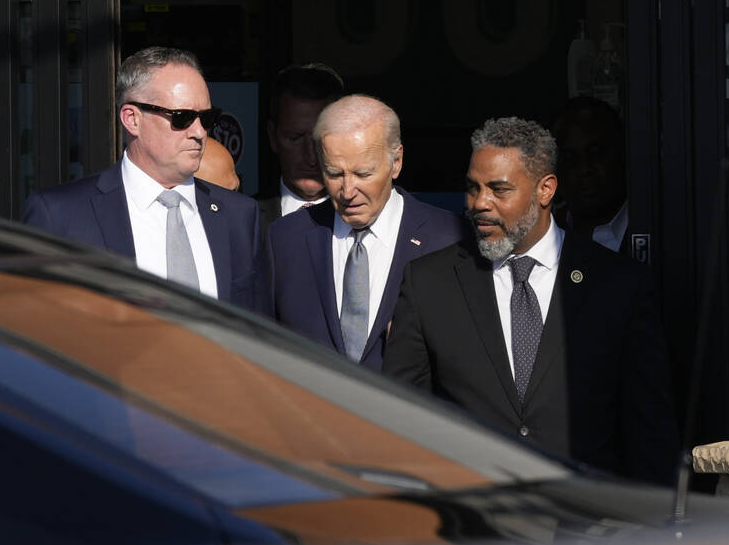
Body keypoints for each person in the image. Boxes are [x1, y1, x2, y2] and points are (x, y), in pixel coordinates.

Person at [383, 117, 678, 484]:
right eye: (473, 188)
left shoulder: (618, 286)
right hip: (473, 526)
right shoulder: (429, 283)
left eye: (499, 189)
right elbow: (402, 421)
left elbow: (649, 432)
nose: (479, 203)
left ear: (545, 190)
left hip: (592, 527)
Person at [21, 46, 265, 312]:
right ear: (132, 119)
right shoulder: (61, 215)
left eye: (206, 118)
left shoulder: (239, 216)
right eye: (182, 117)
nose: (199, 132)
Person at [268, 95, 465, 371]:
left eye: (363, 174)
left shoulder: (448, 240)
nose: (348, 192)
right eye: (334, 173)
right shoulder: (285, 239)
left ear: (396, 162)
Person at [258, 63, 345, 233]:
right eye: (295, 138)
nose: (311, 157)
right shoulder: (244, 219)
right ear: (272, 136)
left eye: (321, 140)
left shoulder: (369, 219)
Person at [552, 97, 629, 253]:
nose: (584, 169)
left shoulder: (657, 227)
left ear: (621, 153)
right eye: (570, 159)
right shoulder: (543, 237)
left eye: (596, 154)